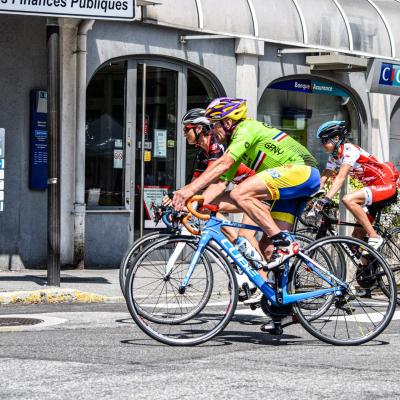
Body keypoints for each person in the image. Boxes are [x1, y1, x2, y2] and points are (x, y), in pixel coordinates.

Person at [172, 97, 320, 272]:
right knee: (267, 247)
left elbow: (223, 163)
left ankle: (284, 243)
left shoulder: (246, 129)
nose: (211, 131)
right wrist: (192, 205)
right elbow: (220, 184)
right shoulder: (236, 145)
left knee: (239, 193)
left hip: (303, 172)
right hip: (286, 189)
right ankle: (279, 295)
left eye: (214, 125)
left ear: (227, 122)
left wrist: (188, 190)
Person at [316, 120, 399, 249]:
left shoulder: (350, 150)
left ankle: (374, 237)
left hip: (385, 186)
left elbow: (341, 177)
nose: (322, 145)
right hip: (372, 191)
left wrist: (326, 199)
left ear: (336, 138)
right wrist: (311, 196)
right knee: (356, 238)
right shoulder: (334, 157)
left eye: (324, 140)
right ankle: (365, 267)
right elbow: (324, 178)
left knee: (348, 199)